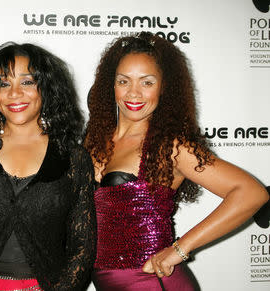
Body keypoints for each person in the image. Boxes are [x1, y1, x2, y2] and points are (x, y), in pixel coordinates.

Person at [84, 32, 268, 290]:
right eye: (123, 81)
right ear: (110, 85)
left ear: (163, 87)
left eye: (147, 82)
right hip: (106, 281)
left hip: (153, 281)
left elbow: (251, 194)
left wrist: (179, 250)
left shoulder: (170, 146)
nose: (133, 93)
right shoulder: (93, 140)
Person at [0, 42, 97, 290]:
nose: (14, 93)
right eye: (3, 83)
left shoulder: (72, 157)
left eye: (27, 82)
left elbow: (82, 246)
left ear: (47, 88)